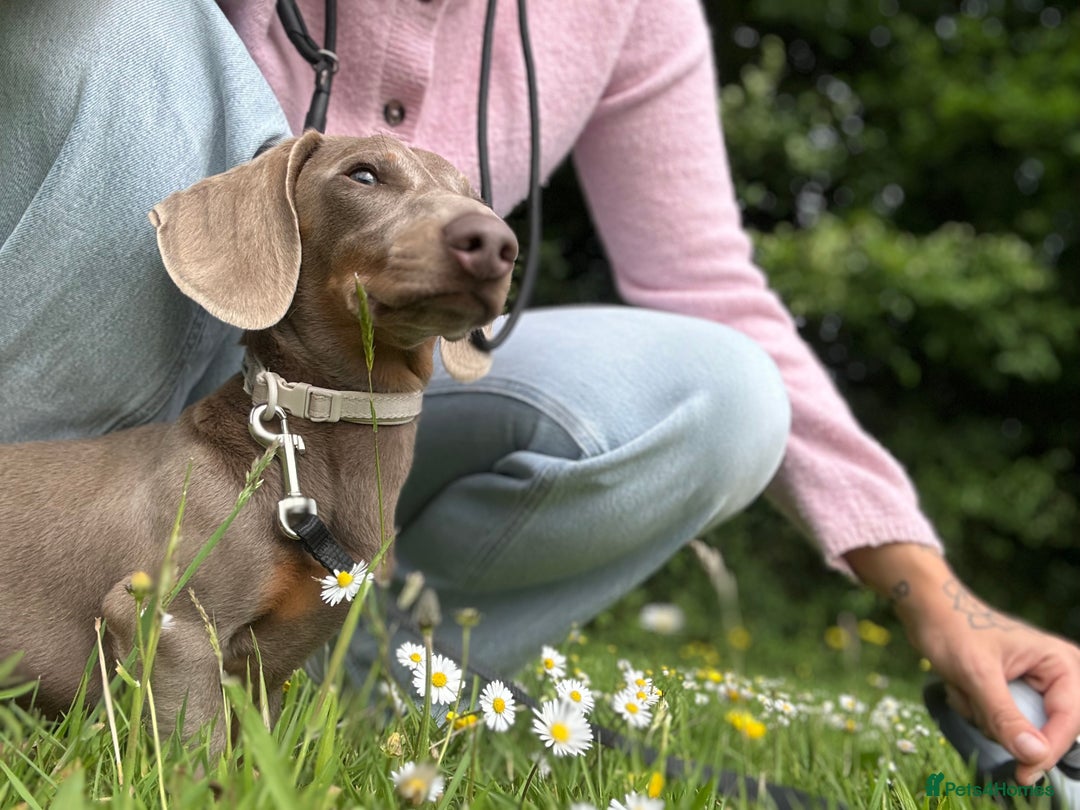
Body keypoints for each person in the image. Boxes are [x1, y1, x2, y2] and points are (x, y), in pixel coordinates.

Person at [2, 0, 1077, 787]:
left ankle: (339, 694)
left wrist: (945, 606)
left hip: (356, 400)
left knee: (723, 389)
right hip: (109, 338)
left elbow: (711, 286)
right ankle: (47, 596)